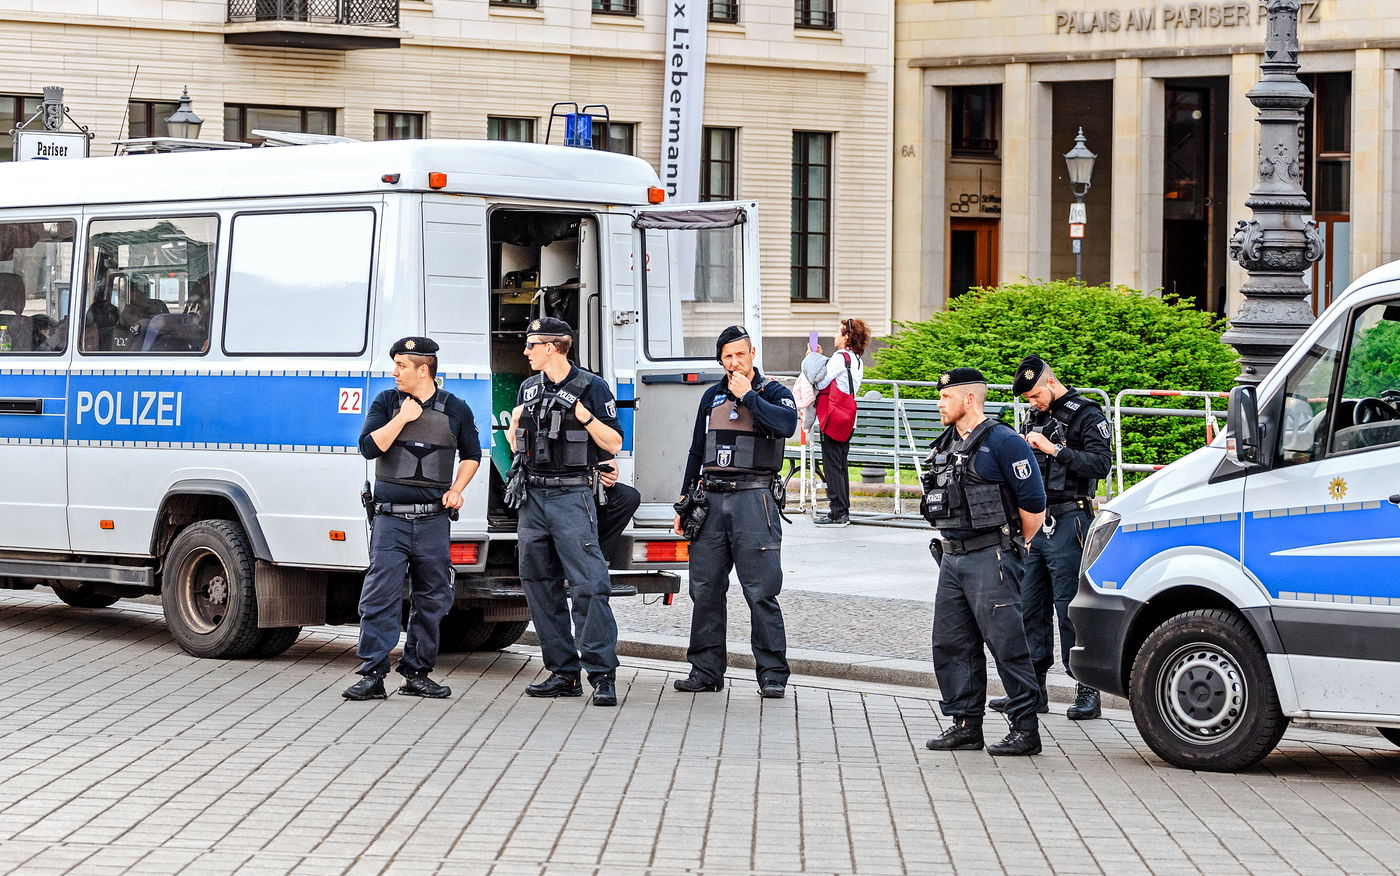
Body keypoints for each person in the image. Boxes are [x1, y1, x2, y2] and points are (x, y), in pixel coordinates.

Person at [344, 336, 482, 701]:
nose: (395, 372)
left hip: (434, 521)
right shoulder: (387, 402)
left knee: (433, 598)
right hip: (390, 520)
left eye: (401, 366)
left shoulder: (456, 408)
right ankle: (372, 675)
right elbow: (368, 447)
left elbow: (472, 454)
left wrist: (458, 487)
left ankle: (417, 673)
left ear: (424, 369)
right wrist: (402, 418)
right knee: (379, 598)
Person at [922, 368, 1047, 756]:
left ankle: (1025, 729)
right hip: (953, 558)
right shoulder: (945, 443)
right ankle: (965, 724)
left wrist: (1012, 545)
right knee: (952, 644)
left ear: (970, 399)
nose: (939, 403)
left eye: (945, 397)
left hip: (991, 556)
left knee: (1007, 644)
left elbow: (1034, 504)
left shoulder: (1004, 443)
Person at [672, 325, 798, 698]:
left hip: (753, 500)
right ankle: (705, 671)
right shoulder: (711, 396)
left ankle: (772, 674)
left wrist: (750, 398)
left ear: (752, 354)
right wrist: (684, 502)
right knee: (705, 589)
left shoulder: (774, 392)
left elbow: (787, 425)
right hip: (710, 500)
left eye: (740, 354)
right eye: (727, 356)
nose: (734, 362)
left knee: (761, 591)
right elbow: (697, 451)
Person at [508, 317, 625, 707]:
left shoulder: (592, 387)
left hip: (572, 497)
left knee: (590, 585)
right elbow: (515, 445)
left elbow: (614, 442)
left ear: (553, 346)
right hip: (533, 497)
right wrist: (513, 426)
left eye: (531, 345)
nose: (525, 352)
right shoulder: (528, 388)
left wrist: (584, 415)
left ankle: (602, 674)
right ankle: (562, 672)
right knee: (538, 585)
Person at [988, 355, 1112, 720]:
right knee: (1029, 609)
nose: (1032, 404)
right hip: (1035, 521)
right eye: (1027, 399)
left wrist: (1054, 448)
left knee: (1069, 609)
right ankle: (1032, 692)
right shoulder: (1036, 416)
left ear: (1051, 382)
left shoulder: (1086, 413)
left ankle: (1087, 690)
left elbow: (1100, 464)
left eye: (1034, 396)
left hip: (1070, 518)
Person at [802, 318, 870, 527]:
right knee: (841, 464)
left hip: (833, 416)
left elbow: (821, 381)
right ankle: (843, 509)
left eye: (838, 333)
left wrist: (812, 358)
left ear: (847, 337)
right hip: (848, 417)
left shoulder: (840, 357)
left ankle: (837, 512)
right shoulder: (856, 359)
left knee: (832, 465)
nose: (835, 336)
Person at [596, 466, 642, 567]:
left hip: (588, 484)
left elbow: (612, 469)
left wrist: (606, 475)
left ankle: (596, 557)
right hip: (561, 488)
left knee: (629, 497)